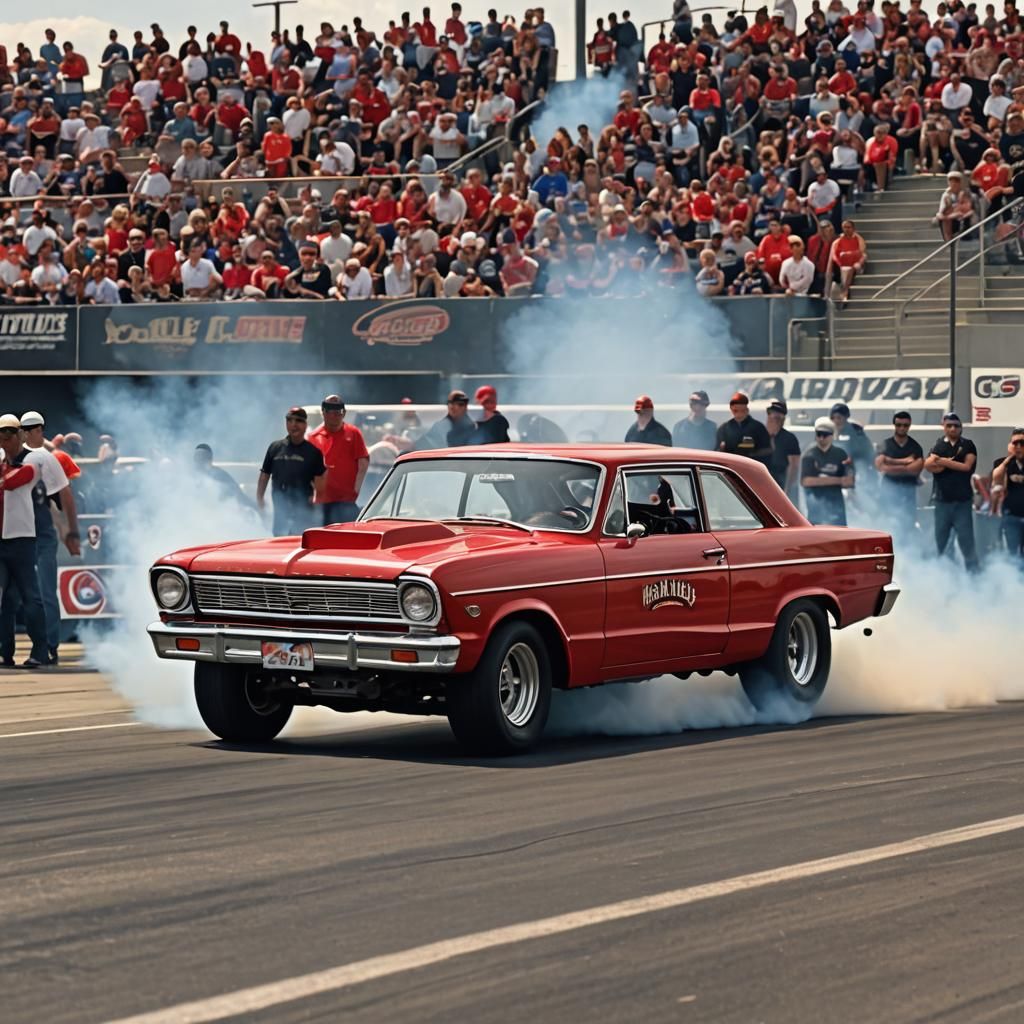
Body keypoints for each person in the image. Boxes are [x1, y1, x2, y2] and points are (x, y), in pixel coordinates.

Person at [8, 411, 81, 665]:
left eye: (35, 428)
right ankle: (11, 650)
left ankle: (48, 647)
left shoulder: (46, 460)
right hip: (17, 538)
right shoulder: (13, 458)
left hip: (40, 536)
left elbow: (59, 500)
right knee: (15, 595)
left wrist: (69, 531)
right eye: (27, 429)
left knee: (44, 593)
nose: (32, 432)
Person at [0, 415, 49, 669]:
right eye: (2, 433)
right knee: (6, 601)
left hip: (22, 540)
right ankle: (4, 653)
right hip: (4, 540)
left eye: (10, 432)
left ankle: (40, 651)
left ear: (20, 435)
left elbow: (14, 481)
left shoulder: (31, 461)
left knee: (30, 597)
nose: (5, 437)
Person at [256, 406, 326, 537]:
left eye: (298, 421)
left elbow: (320, 486)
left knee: (298, 540)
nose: (294, 425)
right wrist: (260, 498)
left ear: (305, 425)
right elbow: (265, 474)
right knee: (279, 539)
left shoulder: (313, 452)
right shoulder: (275, 447)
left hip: (303, 511)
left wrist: (315, 501)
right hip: (280, 509)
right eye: (290, 420)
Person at [924, 413, 978, 571]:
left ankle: (974, 577)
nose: (953, 428)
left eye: (956, 425)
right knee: (941, 542)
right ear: (944, 427)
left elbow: (966, 467)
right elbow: (928, 465)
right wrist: (947, 463)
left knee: (967, 542)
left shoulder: (968, 445)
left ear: (961, 427)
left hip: (962, 502)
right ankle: (944, 576)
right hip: (942, 502)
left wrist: (942, 462)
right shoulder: (938, 445)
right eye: (949, 425)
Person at [306, 395, 369, 525]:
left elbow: (363, 462)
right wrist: (311, 492)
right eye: (329, 411)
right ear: (323, 412)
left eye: (338, 411)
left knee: (350, 538)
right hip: (322, 502)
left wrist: (355, 491)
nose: (334, 415)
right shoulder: (313, 437)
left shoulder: (353, 433)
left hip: (346, 501)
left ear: (344, 413)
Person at [874, 411, 924, 540]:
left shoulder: (915, 446)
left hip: (908, 492)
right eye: (899, 425)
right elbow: (880, 466)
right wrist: (905, 463)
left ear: (909, 425)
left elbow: (916, 469)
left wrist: (889, 462)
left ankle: (907, 554)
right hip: (888, 491)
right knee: (888, 525)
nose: (902, 428)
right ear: (894, 425)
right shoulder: (884, 444)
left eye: (905, 425)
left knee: (908, 526)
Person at [801, 416, 854, 526]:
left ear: (832, 435)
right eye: (818, 434)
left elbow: (849, 481)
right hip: (816, 508)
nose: (821, 438)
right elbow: (806, 481)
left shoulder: (841, 454)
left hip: (836, 506)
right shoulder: (809, 454)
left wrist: (821, 479)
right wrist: (838, 480)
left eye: (825, 435)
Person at [990, 427, 1024, 559]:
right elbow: (996, 478)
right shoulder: (1002, 463)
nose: (1019, 447)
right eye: (1015, 443)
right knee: (1013, 555)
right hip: (1011, 517)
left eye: (1022, 443)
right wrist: (1009, 459)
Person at [830, 403, 876, 490]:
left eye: (839, 418)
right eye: (833, 418)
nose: (836, 421)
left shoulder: (855, 430)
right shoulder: (828, 430)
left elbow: (866, 451)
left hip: (856, 466)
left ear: (846, 417)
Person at [716, 392, 772, 463]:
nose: (739, 414)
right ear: (731, 409)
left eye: (742, 411)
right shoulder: (724, 428)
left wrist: (751, 455)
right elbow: (717, 450)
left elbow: (767, 450)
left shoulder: (758, 427)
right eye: (736, 411)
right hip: (731, 467)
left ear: (747, 410)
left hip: (752, 466)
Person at [765, 400, 801, 499]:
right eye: (771, 415)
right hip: (764, 484)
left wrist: (787, 490)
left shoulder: (789, 438)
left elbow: (794, 466)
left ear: (783, 419)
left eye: (777, 417)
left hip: (782, 484)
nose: (773, 419)